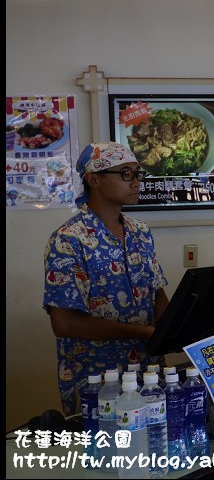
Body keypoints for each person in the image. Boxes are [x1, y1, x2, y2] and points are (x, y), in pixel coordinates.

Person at [43, 141, 168, 415]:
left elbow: (157, 294)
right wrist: (143, 332)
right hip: (96, 381)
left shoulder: (141, 232)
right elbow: (64, 323)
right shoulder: (68, 239)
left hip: (148, 377)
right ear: (94, 179)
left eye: (138, 173)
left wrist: (178, 328)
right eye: (125, 173)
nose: (136, 182)